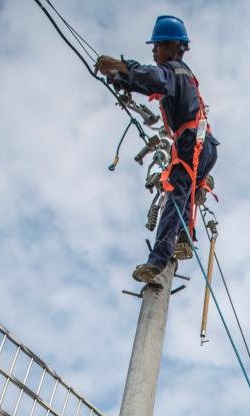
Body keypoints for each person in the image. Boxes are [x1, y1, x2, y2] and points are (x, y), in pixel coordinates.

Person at [95, 15, 219, 284]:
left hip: (191, 143)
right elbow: (148, 83)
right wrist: (120, 79)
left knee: (175, 192)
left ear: (174, 46)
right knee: (183, 191)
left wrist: (122, 66)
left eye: (158, 45)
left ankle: (157, 262)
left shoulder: (175, 70)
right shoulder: (180, 76)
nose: (154, 51)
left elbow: (154, 78)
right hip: (203, 145)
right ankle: (184, 238)